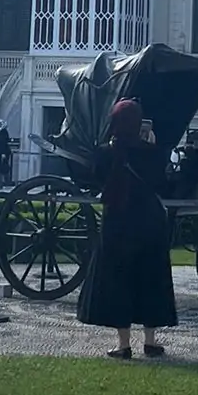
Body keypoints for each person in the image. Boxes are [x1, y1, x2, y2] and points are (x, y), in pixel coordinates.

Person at [77, 98, 177, 358]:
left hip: (118, 223)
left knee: (118, 282)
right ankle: (151, 341)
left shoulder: (105, 153)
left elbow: (97, 179)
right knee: (150, 280)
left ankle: (124, 344)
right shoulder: (154, 153)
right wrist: (151, 144)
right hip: (150, 223)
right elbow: (162, 184)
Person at [0, 123, 14, 187]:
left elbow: (3, 142)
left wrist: (3, 153)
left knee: (3, 167)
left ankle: (4, 182)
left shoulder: (3, 132)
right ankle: (0, 182)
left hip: (2, 151)